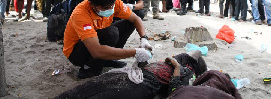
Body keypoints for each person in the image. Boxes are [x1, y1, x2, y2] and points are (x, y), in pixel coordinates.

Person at [63, 0, 153, 79]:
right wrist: (135, 52)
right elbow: (96, 51)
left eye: (112, 6)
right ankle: (89, 68)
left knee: (130, 22)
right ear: (93, 5)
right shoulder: (81, 13)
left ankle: (107, 60)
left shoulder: (114, 2)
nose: (110, 9)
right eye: (106, 8)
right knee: (111, 33)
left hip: (98, 38)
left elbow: (136, 19)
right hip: (76, 52)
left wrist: (144, 39)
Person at [56, 51, 207, 99]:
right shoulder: (171, 62)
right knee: (90, 87)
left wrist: (176, 68)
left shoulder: (184, 71)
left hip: (143, 84)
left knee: (101, 94)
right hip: (134, 75)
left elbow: (175, 92)